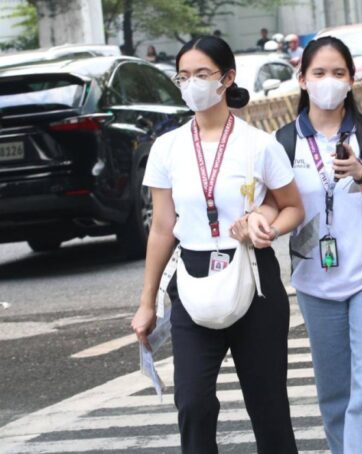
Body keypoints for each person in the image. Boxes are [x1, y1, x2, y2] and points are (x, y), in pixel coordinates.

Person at [130, 35, 303, 454]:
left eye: (202, 75)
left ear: (227, 78)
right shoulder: (166, 147)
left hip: (254, 276)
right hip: (191, 278)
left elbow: (293, 207)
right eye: (183, 76)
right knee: (192, 403)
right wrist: (148, 301)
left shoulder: (258, 143)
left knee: (268, 406)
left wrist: (269, 227)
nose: (192, 85)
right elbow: (162, 228)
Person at [282, 36, 362, 454]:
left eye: (338, 73)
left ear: (352, 81)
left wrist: (360, 174)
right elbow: (277, 208)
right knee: (334, 395)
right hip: (315, 281)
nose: (328, 82)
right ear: (302, 80)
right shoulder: (284, 142)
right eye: (319, 73)